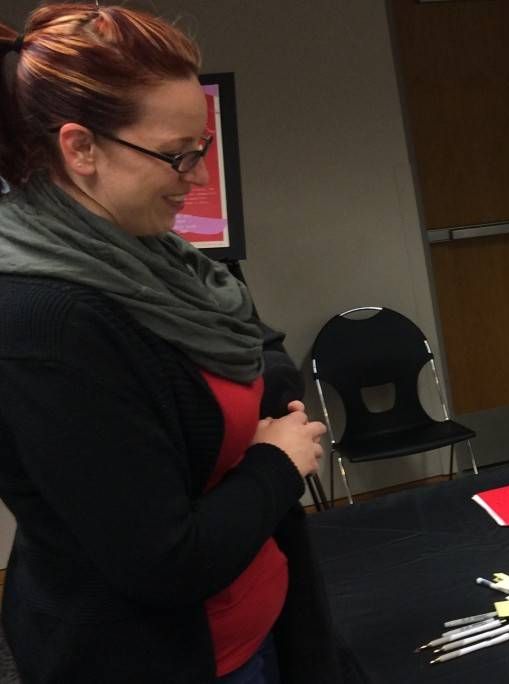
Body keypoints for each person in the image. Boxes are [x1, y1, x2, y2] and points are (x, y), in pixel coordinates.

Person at [0, 4, 339, 682]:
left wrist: (265, 399)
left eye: (201, 149)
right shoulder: (49, 322)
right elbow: (163, 559)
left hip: (257, 613)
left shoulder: (154, 248)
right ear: (81, 148)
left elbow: (258, 343)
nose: (195, 176)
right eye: (177, 154)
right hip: (162, 654)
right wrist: (276, 458)